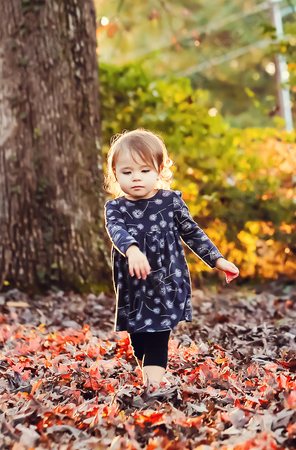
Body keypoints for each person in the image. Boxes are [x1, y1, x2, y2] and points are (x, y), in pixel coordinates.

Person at [102, 129, 239, 390]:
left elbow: (192, 232)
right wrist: (131, 250)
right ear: (115, 173)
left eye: (144, 170)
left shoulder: (170, 202)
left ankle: (153, 387)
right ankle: (149, 377)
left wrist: (218, 259)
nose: (136, 178)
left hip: (166, 281)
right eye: (127, 172)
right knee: (139, 340)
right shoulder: (115, 208)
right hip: (134, 287)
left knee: (157, 337)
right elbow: (116, 231)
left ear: (159, 169)